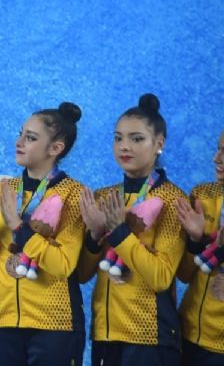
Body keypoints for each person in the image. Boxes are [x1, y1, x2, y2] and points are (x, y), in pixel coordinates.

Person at [0, 103, 87, 365]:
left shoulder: (74, 196)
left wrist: (19, 228)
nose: (19, 142)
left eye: (30, 138)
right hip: (4, 320)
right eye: (21, 134)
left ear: (56, 148)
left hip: (54, 324)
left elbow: (62, 264)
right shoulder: (1, 190)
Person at [77, 93, 186, 365]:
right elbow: (82, 275)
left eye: (136, 139)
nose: (124, 146)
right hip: (105, 333)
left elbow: (161, 276)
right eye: (118, 138)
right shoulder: (103, 197)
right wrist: (93, 237)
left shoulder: (174, 201)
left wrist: (119, 233)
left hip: (150, 337)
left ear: (158, 144)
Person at [174, 129, 224, 365]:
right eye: (218, 148)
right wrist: (195, 240)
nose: (216, 158)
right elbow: (184, 275)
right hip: (188, 333)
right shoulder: (202, 196)